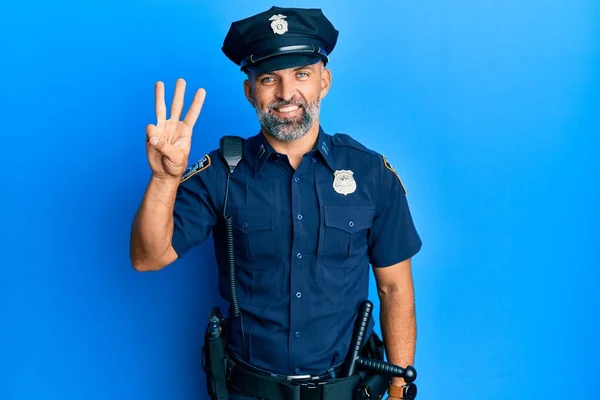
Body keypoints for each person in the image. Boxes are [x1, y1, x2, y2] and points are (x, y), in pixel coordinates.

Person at [130, 6, 422, 400]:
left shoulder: (370, 173)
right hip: (250, 390)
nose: (287, 94)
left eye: (302, 74)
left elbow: (394, 288)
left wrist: (401, 389)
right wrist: (164, 178)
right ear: (251, 91)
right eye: (269, 79)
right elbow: (148, 257)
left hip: (346, 388)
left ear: (325, 82)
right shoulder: (222, 172)